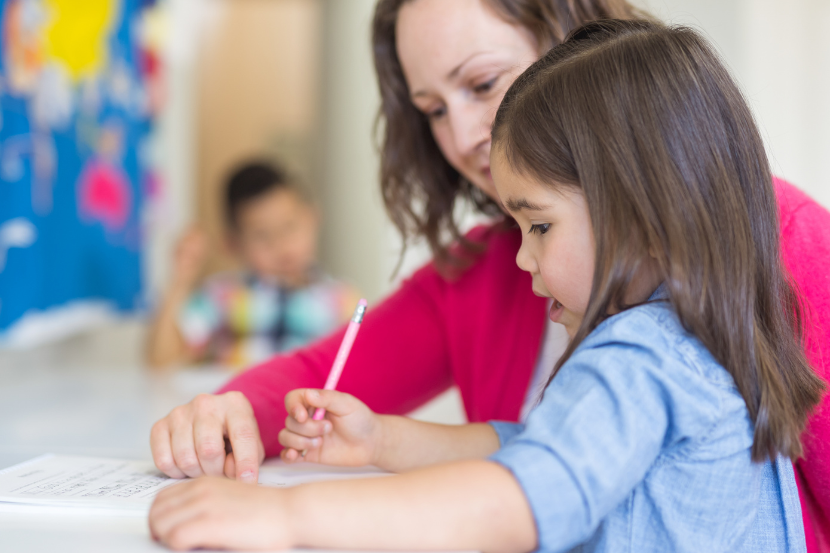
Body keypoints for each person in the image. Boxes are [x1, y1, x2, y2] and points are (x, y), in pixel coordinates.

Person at [149, 0, 830, 547]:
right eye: (433, 109)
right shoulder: (703, 323)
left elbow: (524, 493)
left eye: (481, 84)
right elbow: (542, 443)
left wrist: (288, 521)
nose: (462, 134)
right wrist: (377, 437)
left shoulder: (644, 347)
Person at [145, 160, 359, 369]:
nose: (281, 245)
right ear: (233, 243)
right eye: (262, 236)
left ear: (313, 217)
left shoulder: (342, 300)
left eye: (290, 227)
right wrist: (181, 280)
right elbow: (161, 361)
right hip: (241, 403)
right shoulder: (221, 296)